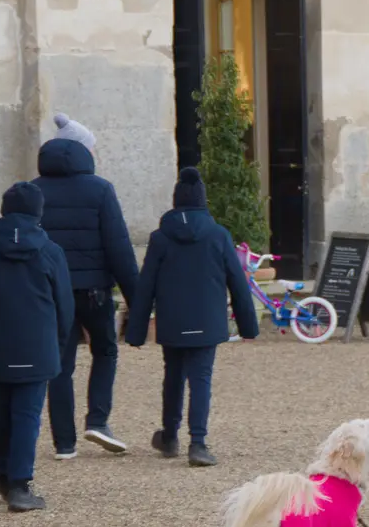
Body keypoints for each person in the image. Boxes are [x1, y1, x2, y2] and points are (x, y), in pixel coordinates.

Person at [124, 168, 261, 467]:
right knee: (201, 378)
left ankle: (170, 435)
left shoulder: (160, 238)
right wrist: (248, 324)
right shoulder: (218, 235)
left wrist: (135, 331)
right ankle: (198, 442)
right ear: (203, 201)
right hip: (207, 318)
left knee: (172, 376)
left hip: (172, 319)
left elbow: (145, 284)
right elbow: (237, 281)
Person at [32, 113, 138, 459]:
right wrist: (137, 297)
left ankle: (64, 443)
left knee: (60, 363)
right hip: (94, 291)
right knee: (105, 350)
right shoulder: (100, 189)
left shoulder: (34, 190)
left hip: (50, 292)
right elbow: (118, 246)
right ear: (84, 152)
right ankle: (98, 420)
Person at [0, 182, 73, 512]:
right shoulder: (51, 251)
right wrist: (57, 343)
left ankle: (4, 472)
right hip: (37, 345)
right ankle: (20, 482)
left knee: (3, 411)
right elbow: (64, 305)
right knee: (27, 414)